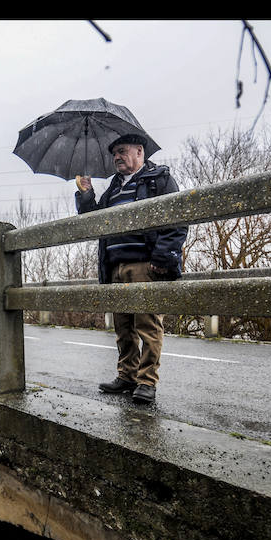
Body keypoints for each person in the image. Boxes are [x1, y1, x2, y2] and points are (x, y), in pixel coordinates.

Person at [74, 133, 188, 403]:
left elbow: (178, 218)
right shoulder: (113, 188)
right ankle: (127, 375)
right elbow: (94, 222)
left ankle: (147, 381)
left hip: (143, 264)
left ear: (140, 151)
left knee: (147, 325)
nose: (116, 156)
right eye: (114, 152)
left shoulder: (158, 179)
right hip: (115, 265)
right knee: (123, 326)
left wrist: (161, 259)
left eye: (122, 151)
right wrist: (86, 193)